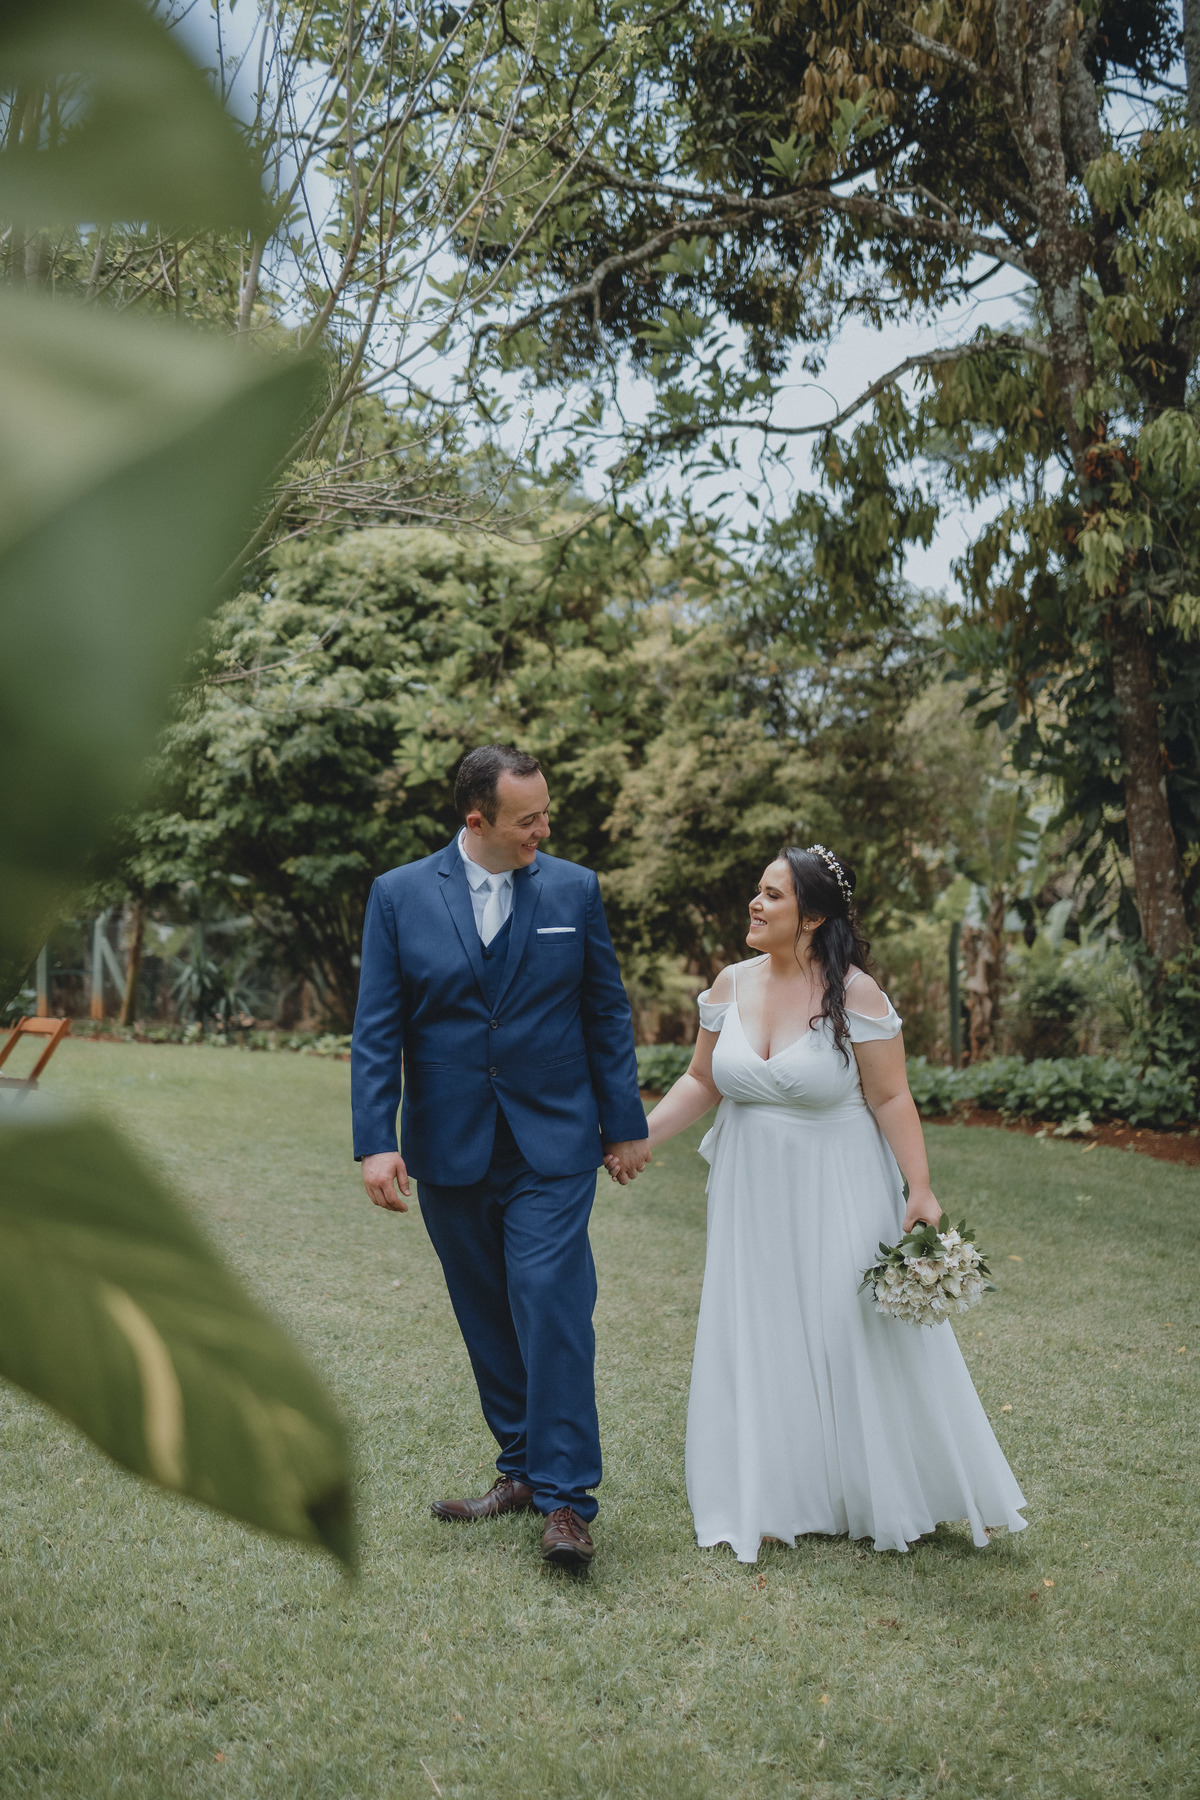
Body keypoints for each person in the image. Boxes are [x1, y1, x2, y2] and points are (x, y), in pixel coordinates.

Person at [618, 844, 1027, 1563]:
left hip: (839, 1182)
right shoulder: (730, 983)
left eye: (773, 895)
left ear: (812, 918)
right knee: (760, 1325)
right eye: (758, 890)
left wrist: (920, 1187)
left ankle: (875, 1490)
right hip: (751, 1188)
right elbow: (701, 1081)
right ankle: (775, 1494)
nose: (756, 903)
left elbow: (891, 1096)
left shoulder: (856, 994)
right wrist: (637, 1139)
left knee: (847, 1329)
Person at [352, 744, 649, 1569]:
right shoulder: (400, 895)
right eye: (529, 819)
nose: (543, 830)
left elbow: (605, 1011)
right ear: (476, 819)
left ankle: (566, 1501)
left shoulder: (574, 890)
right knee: (484, 1312)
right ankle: (519, 1468)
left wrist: (624, 1123)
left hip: (553, 1142)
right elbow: (377, 1026)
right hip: (448, 1144)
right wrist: (376, 1140)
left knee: (551, 1303)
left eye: (546, 813)